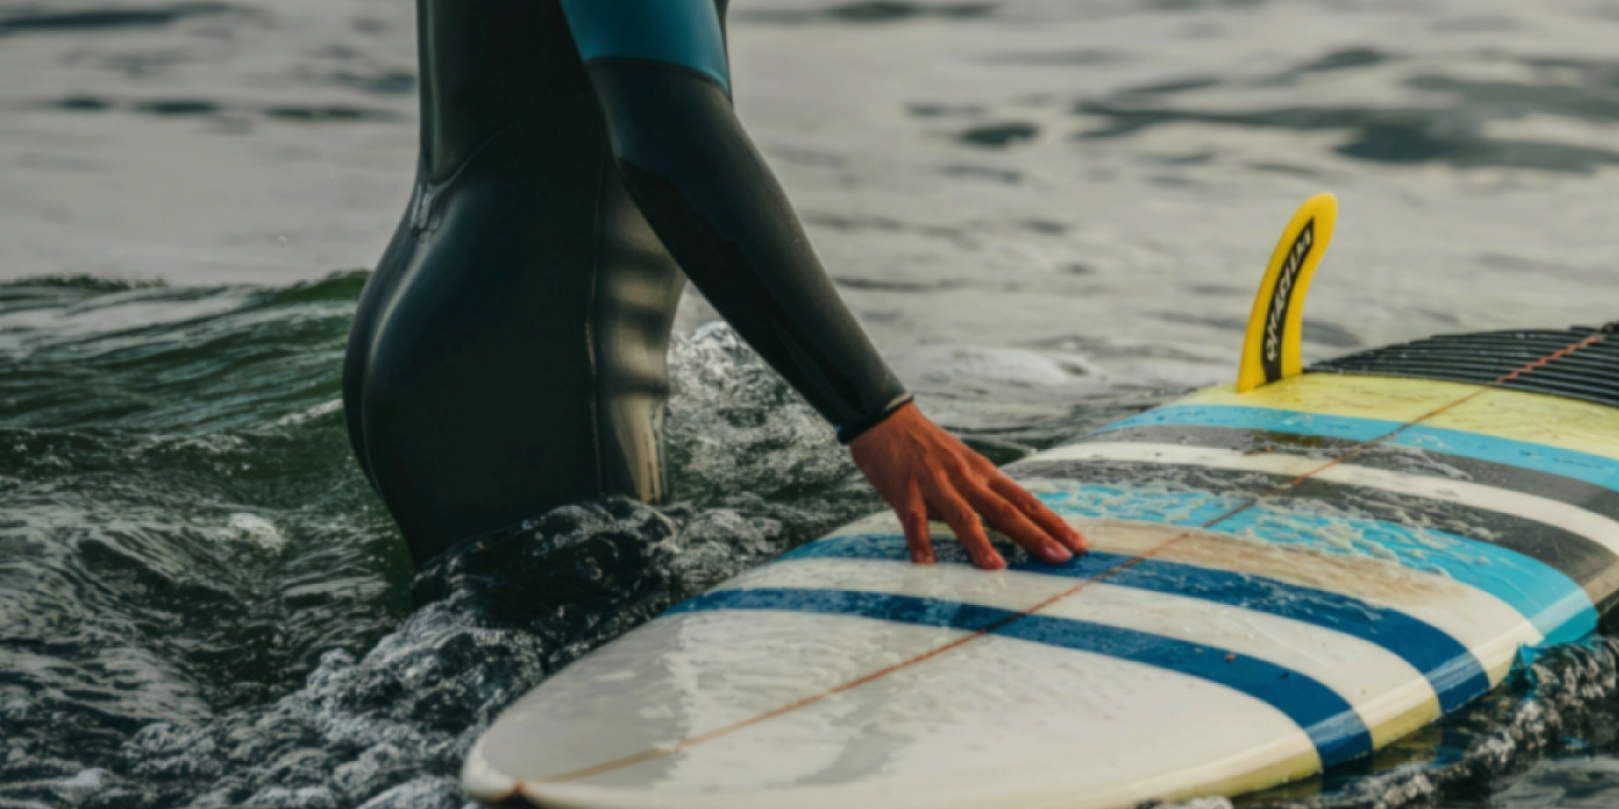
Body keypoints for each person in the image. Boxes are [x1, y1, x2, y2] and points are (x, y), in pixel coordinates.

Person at [342, 0, 1087, 573]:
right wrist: (876, 414)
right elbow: (669, 134)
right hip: (541, 373)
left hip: (435, 322)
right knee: (612, 719)